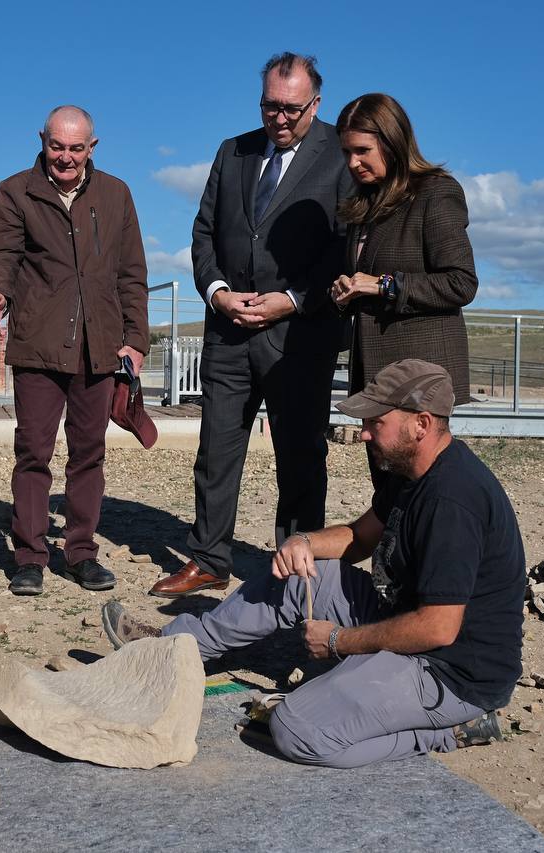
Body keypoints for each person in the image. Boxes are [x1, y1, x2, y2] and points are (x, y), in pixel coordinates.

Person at [104, 359, 525, 769]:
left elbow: (438, 627)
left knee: (296, 729)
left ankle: (447, 731)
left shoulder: (452, 501)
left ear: (422, 423)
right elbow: (360, 537)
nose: (362, 433)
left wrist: (340, 641)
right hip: (408, 623)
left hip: (452, 673)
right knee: (301, 574)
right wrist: (304, 542)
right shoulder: (412, 469)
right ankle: (174, 649)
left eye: (376, 422)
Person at [151, 53, 352, 599]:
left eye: (291, 108)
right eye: (270, 106)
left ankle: (296, 567)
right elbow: (203, 233)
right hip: (229, 333)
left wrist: (291, 299)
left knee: (300, 456)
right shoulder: (232, 151)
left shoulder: (342, 155)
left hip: (300, 336)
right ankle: (209, 558)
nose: (279, 118)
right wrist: (217, 293)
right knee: (216, 451)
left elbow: (344, 248)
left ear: (316, 103)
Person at [0, 105, 149, 596]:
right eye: (58, 146)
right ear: (43, 140)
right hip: (38, 343)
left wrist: (135, 339)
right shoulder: (15, 191)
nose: (66, 157)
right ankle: (30, 557)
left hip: (99, 346)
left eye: (77, 148)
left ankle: (80, 552)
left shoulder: (116, 194)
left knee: (88, 455)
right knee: (33, 452)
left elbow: (131, 273)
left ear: (92, 147)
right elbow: (3, 254)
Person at [329, 93, 478, 486]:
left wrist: (384, 285)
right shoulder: (364, 204)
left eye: (362, 150)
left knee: (420, 491)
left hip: (419, 382)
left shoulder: (436, 192)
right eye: (346, 152)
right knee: (387, 493)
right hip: (375, 375)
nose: (352, 163)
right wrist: (348, 292)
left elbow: (461, 283)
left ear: (393, 142)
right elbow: (369, 285)